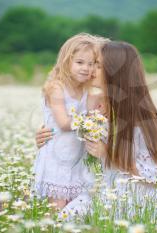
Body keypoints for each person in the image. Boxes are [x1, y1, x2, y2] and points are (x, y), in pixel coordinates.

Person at [36, 40, 157, 224]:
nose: (91, 70)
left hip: (136, 201)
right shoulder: (101, 106)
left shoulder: (142, 119)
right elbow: (74, 135)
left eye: (97, 65)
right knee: (60, 222)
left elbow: (155, 176)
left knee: (63, 223)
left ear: (114, 71)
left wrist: (108, 154)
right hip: (105, 191)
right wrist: (48, 138)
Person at [33, 33, 96, 209]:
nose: (86, 68)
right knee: (58, 207)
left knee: (74, 205)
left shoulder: (86, 91)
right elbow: (63, 123)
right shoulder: (56, 87)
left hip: (77, 156)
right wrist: (91, 122)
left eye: (91, 64)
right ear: (66, 62)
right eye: (80, 62)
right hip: (56, 156)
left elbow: (94, 115)